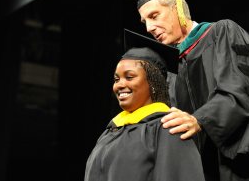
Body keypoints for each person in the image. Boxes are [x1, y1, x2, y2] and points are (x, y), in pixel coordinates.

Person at [122, 0, 249, 181]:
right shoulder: (170, 68)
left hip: (245, 163)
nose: (149, 28)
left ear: (177, 8)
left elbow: (238, 91)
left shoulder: (221, 33)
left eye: (154, 16)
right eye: (144, 22)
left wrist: (199, 120)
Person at [84, 44, 205, 181]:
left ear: (153, 82)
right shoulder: (111, 131)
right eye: (117, 79)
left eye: (129, 77)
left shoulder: (168, 127)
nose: (120, 85)